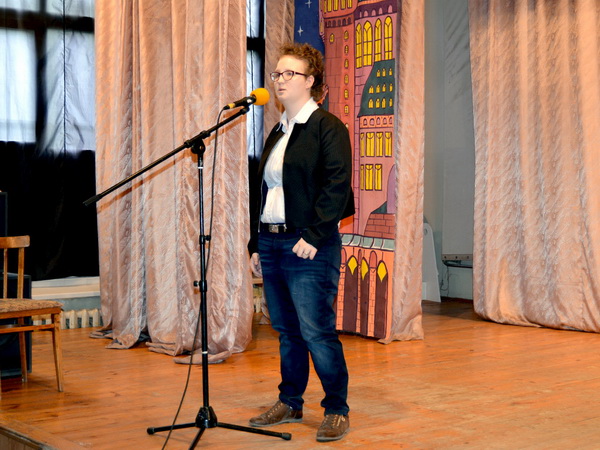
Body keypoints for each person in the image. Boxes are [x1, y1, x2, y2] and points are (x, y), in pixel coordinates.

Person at [247, 42, 354, 443]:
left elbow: (336, 186)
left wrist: (314, 235)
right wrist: (255, 244)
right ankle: (290, 401)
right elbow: (264, 192)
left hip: (309, 245)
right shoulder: (278, 131)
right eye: (276, 73)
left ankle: (337, 410)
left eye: (289, 73)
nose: (279, 80)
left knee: (316, 332)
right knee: (287, 331)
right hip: (272, 242)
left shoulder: (328, 127)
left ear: (311, 81)